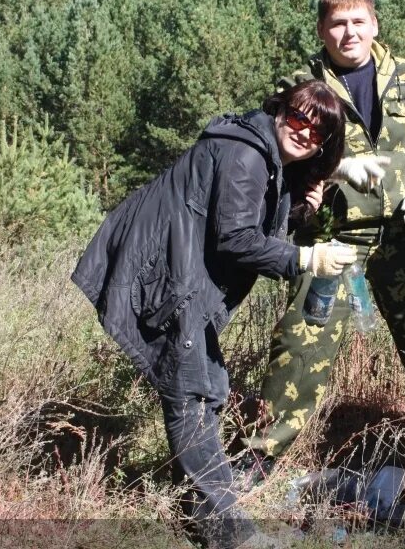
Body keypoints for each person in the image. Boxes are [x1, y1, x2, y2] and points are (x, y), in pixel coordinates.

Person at [71, 81, 353, 549]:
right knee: (193, 392)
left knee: (207, 386)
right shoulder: (247, 155)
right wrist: (306, 260)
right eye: (300, 118)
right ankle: (231, 535)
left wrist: (302, 209)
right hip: (158, 276)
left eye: (318, 133)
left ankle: (201, 512)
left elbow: (246, 222)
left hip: (172, 273)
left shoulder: (261, 155)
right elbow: (236, 240)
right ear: (280, 110)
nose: (306, 134)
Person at [239, 0, 405, 473]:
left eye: (358, 22)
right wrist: (333, 169)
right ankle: (258, 461)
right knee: (301, 348)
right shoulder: (301, 86)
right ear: (322, 30)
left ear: (375, 24)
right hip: (331, 244)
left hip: (403, 240)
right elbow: (271, 146)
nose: (349, 33)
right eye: (338, 24)